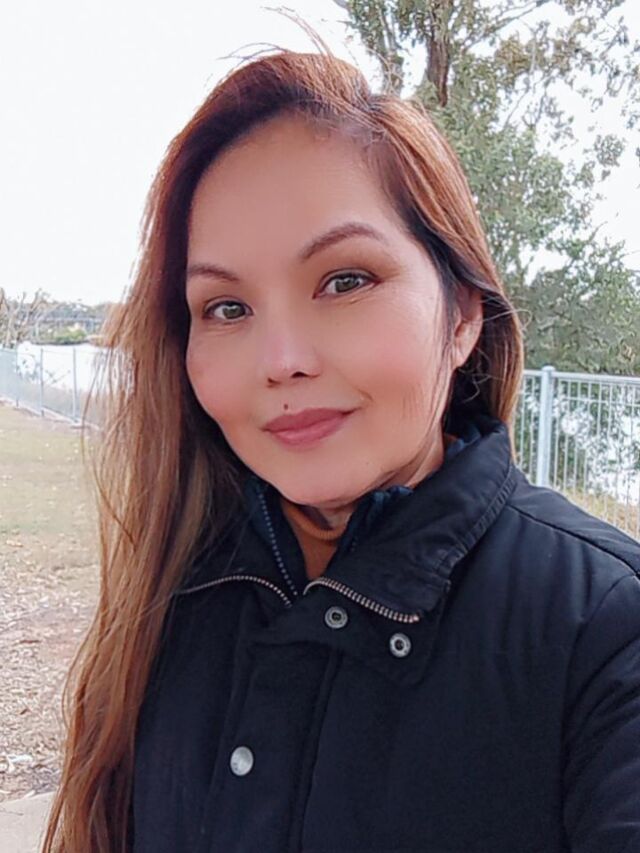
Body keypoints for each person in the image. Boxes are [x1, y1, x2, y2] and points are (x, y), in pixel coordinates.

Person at [43, 48, 640, 853]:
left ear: (463, 315)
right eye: (226, 308)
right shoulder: (174, 596)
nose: (281, 359)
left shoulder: (606, 631)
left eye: (345, 281)